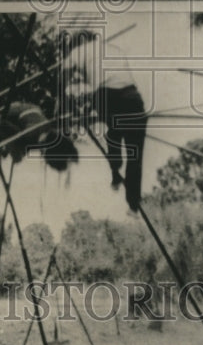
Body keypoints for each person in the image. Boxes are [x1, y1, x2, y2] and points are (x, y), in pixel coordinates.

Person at [62, 29, 148, 211]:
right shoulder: (114, 49)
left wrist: (65, 103)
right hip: (132, 97)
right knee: (135, 152)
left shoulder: (78, 51)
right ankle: (133, 202)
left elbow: (63, 74)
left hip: (106, 96)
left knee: (113, 131)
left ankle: (116, 169)